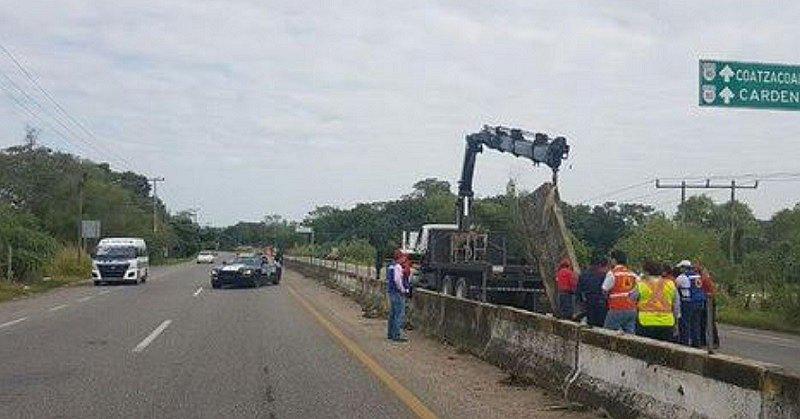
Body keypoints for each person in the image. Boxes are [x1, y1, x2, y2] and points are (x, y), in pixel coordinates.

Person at [634, 260, 680, 342]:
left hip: (645, 323)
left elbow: (631, 298)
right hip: (667, 323)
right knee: (665, 352)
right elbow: (676, 306)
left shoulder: (641, 284)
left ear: (646, 272)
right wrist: (676, 323)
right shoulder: (670, 284)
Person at [601, 250, 638, 333]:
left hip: (616, 308)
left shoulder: (612, 273)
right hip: (631, 309)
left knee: (607, 333)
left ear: (614, 260)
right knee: (630, 335)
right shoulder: (632, 274)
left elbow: (604, 289)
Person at [675, 260, 706, 348]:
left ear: (684, 268)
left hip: (688, 302)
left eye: (681, 268)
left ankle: (684, 343)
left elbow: (675, 288)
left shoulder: (682, 277)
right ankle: (696, 343)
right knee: (696, 323)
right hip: (700, 301)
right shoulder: (697, 276)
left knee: (685, 323)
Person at [576, 256, 610, 327]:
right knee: (601, 325)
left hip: (588, 301)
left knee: (591, 324)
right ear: (599, 265)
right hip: (601, 302)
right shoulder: (603, 275)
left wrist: (581, 303)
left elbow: (578, 291)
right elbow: (606, 290)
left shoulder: (583, 275)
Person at [387, 250, 410, 342]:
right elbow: (397, 280)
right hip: (397, 292)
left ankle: (390, 333)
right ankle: (397, 335)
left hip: (391, 291)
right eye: (404, 257)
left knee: (392, 314)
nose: (405, 259)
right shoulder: (398, 267)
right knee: (399, 314)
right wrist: (403, 290)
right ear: (400, 258)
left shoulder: (391, 266)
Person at [697, 262, 720, 349]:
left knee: (709, 321)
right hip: (707, 299)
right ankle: (704, 341)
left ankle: (714, 341)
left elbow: (710, 290)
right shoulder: (704, 278)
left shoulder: (704, 278)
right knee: (703, 321)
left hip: (708, 300)